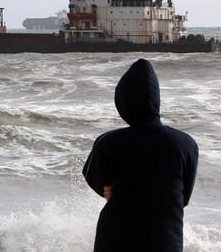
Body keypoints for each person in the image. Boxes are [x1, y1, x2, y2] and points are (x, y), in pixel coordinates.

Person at [83, 58, 199, 252]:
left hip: (116, 241)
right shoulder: (186, 144)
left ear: (123, 101)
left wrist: (119, 191)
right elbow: (182, 197)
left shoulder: (109, 142)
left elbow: (96, 181)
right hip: (166, 243)